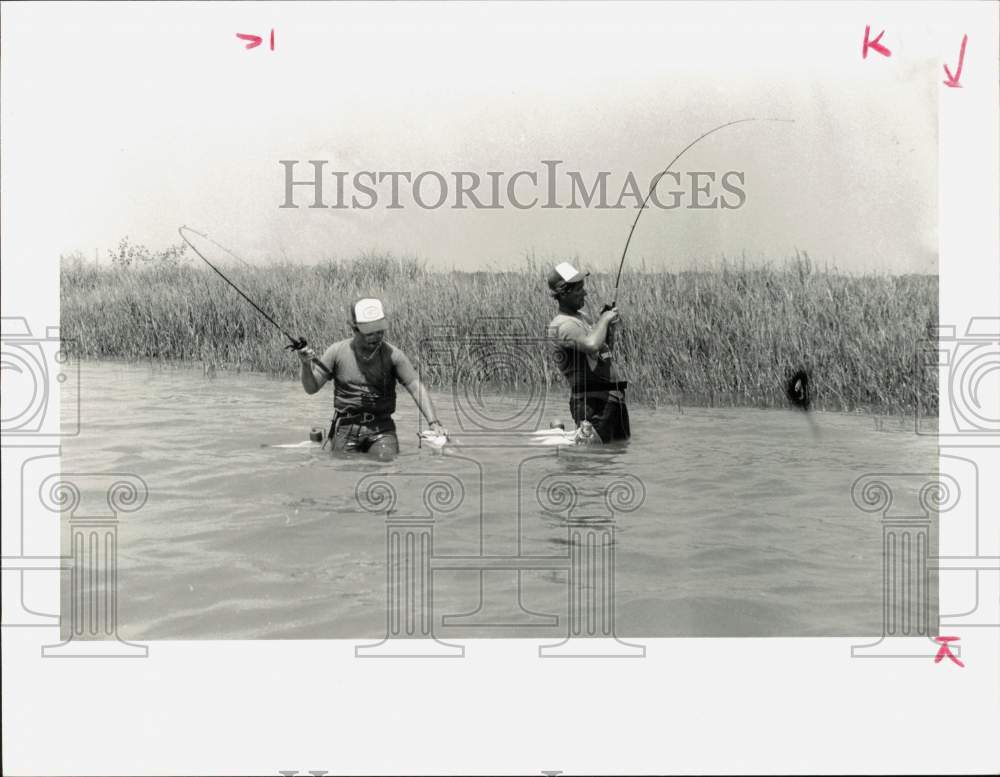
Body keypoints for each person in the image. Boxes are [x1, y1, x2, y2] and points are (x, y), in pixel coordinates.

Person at [294, 297, 447, 457]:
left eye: (380, 331)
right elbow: (311, 388)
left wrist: (433, 423)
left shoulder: (393, 356)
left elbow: (415, 387)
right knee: (343, 471)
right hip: (345, 428)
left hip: (382, 429)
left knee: (386, 463)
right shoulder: (336, 352)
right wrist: (305, 365)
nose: (376, 337)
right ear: (354, 329)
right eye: (369, 332)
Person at [546, 262, 630, 443]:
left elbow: (602, 352)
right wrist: (604, 320)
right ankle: (559, 432)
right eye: (579, 289)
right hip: (592, 403)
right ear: (563, 293)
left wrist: (609, 328)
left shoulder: (581, 318)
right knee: (592, 464)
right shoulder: (563, 325)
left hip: (612, 399)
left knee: (617, 454)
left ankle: (563, 434)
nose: (585, 293)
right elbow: (592, 345)